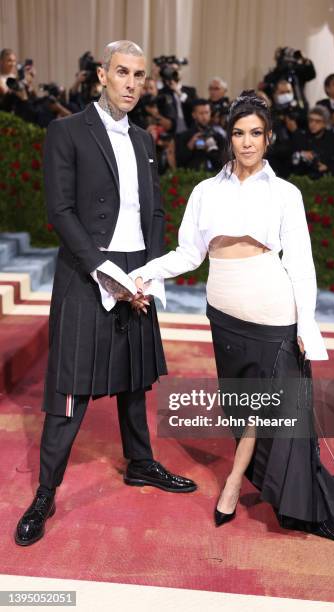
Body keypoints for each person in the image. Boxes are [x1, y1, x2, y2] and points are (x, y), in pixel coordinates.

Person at [129, 90, 334, 545]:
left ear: (269, 137)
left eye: (255, 133)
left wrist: (306, 325)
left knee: (261, 405)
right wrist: (141, 275)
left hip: (272, 309)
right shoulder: (206, 192)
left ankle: (234, 483)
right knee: (239, 405)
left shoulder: (285, 193)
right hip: (222, 312)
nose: (246, 142)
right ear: (229, 137)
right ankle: (248, 474)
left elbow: (300, 262)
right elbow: (187, 254)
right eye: (239, 133)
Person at [14, 40, 197, 548]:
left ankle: (140, 463)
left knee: (135, 377)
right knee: (69, 388)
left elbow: (155, 212)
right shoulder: (66, 130)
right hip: (88, 274)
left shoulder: (145, 140)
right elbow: (61, 212)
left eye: (139, 75)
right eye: (123, 73)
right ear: (102, 75)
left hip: (137, 272)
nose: (132, 83)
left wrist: (149, 275)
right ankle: (46, 492)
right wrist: (108, 274)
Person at [291, 105, 334, 179]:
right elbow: (292, 159)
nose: (313, 124)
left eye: (317, 121)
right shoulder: (301, 137)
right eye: (311, 120)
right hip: (306, 180)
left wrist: (327, 167)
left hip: (328, 180)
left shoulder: (333, 139)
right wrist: (301, 155)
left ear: (325, 123)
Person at [175, 98, 225, 171]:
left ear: (210, 113)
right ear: (194, 115)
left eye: (207, 112)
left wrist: (210, 149)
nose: (204, 117)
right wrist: (190, 145)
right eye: (201, 113)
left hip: (214, 177)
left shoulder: (218, 136)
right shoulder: (184, 136)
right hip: (192, 178)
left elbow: (223, 163)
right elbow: (179, 163)